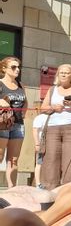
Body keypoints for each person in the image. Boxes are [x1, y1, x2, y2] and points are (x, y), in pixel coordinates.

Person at [39, 64, 71, 189]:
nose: (63, 74)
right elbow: (42, 108)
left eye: (67, 73)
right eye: (61, 72)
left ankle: (70, 190)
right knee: (51, 158)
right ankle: (49, 190)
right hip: (52, 128)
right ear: (57, 75)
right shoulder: (52, 89)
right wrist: (53, 107)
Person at [0, 56, 27, 187]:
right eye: (13, 67)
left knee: (14, 160)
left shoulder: (21, 84)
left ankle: (12, 189)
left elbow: (25, 102)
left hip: (18, 124)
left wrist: (23, 115)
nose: (17, 70)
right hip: (2, 124)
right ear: (4, 68)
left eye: (18, 67)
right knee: (0, 156)